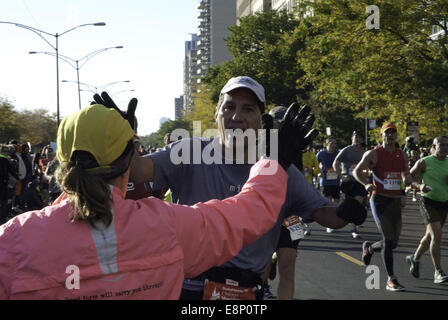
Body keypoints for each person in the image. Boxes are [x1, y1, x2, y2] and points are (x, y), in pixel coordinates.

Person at [0, 103, 290, 300]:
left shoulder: (14, 240)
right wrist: (274, 160)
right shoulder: (167, 226)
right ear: (131, 158)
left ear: (60, 161)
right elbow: (249, 211)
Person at [127, 76, 367, 300]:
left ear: (262, 120)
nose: (237, 116)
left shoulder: (278, 167)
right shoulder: (187, 152)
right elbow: (136, 171)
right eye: (229, 107)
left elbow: (327, 216)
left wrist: (349, 207)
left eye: (248, 109)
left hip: (247, 293)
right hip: (189, 289)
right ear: (217, 113)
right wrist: (123, 138)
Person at [353, 122, 412, 292]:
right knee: (387, 239)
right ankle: (391, 279)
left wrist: (406, 182)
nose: (390, 135)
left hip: (395, 201)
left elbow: (405, 172)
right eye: (387, 133)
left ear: (396, 135)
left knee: (393, 243)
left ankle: (370, 248)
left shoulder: (402, 154)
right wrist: (365, 184)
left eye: (393, 133)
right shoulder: (374, 153)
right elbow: (357, 171)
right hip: (378, 200)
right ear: (381, 136)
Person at [406, 136, 448, 284]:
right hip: (427, 201)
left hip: (443, 203)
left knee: (430, 237)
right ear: (434, 146)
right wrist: (419, 186)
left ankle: (414, 258)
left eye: (446, 145)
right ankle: (438, 271)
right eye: (441, 145)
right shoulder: (424, 162)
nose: (444, 147)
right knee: (437, 235)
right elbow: (408, 178)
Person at [333, 131, 366, 239]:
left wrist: (367, 172)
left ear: (362, 140)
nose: (357, 139)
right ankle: (349, 227)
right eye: (355, 137)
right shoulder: (346, 150)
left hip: (359, 181)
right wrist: (341, 176)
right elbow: (335, 164)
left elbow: (369, 165)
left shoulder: (363, 151)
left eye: (359, 137)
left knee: (358, 202)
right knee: (351, 204)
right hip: (348, 181)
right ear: (352, 138)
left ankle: (353, 228)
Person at [317, 136, 341, 233]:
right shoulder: (321, 154)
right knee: (327, 202)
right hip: (325, 181)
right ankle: (328, 224)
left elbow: (342, 163)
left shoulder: (338, 153)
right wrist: (319, 171)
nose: (333, 145)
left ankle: (333, 222)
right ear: (326, 144)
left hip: (336, 181)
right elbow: (316, 164)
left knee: (336, 202)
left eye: (335, 143)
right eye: (331, 143)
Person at [0, 145, 18, 225]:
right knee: (3, 204)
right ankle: (2, 221)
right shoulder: (6, 161)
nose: (7, 153)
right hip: (3, 186)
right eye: (5, 151)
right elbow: (13, 173)